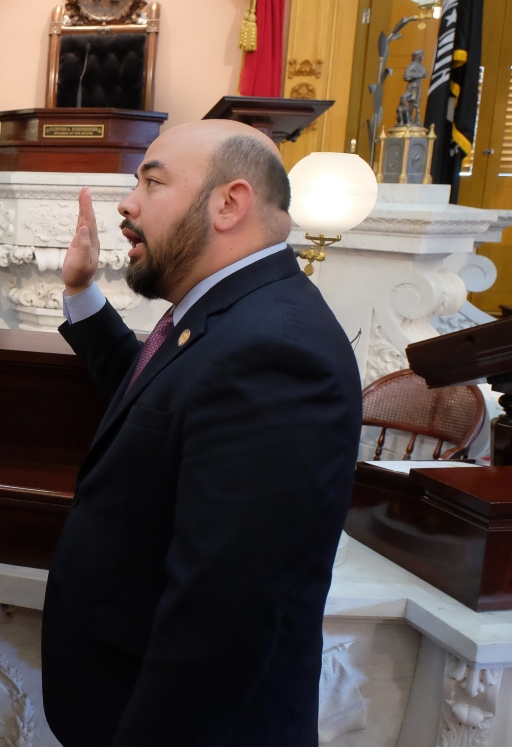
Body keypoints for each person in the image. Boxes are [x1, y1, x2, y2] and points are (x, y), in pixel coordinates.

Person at [41, 120, 362, 747]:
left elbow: (220, 622)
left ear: (228, 204)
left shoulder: (276, 352)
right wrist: (80, 292)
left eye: (151, 183)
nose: (126, 205)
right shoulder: (233, 313)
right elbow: (154, 400)